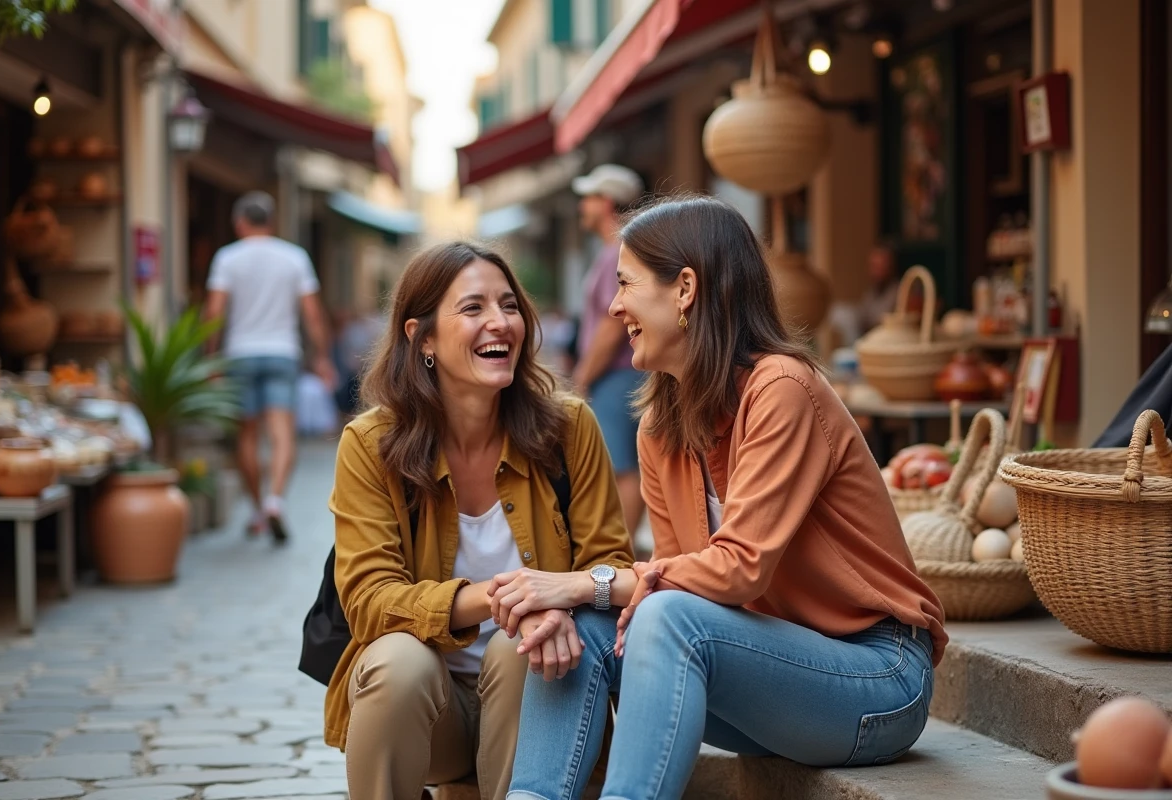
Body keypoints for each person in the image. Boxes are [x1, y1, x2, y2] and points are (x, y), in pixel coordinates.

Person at [507, 197, 948, 800]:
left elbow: (736, 570)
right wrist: (582, 602)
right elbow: (675, 580)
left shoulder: (782, 389)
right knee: (578, 628)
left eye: (627, 283)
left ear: (685, 288)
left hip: (879, 677)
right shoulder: (659, 429)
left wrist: (585, 581)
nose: (613, 307)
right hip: (763, 674)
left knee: (635, 609)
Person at [324, 241, 635, 800]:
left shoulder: (569, 429)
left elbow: (611, 564)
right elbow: (369, 601)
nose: (500, 322)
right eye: (472, 309)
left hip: (542, 695)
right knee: (397, 662)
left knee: (519, 651)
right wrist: (511, 596)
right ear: (423, 339)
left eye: (509, 305)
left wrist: (557, 604)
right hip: (428, 709)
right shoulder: (371, 445)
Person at [204, 191, 337, 543]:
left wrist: (210, 358)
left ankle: (258, 509)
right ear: (272, 222)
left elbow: (214, 312)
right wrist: (322, 357)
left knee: (246, 436)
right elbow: (312, 313)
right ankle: (277, 500)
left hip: (239, 354)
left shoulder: (227, 258)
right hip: (283, 353)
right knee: (282, 435)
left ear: (239, 223)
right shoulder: (294, 258)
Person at [569, 163, 647, 537]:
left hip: (615, 376)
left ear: (606, 202)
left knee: (621, 469)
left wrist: (583, 377)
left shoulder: (616, 252)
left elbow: (611, 323)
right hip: (623, 374)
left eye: (588, 197)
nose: (582, 205)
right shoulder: (621, 250)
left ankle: (624, 560)